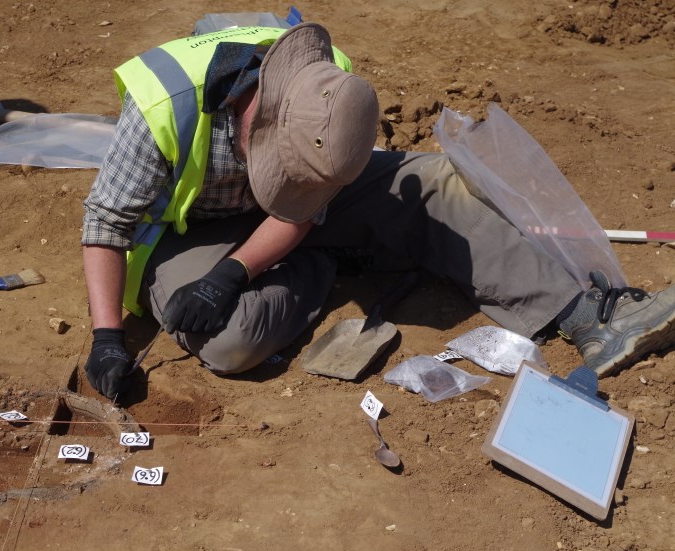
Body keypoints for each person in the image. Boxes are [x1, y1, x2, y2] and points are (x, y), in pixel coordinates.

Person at [81, 22, 675, 400]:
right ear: (249, 118)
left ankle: (587, 315)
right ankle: (322, 265)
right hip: (198, 232)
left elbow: (305, 202)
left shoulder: (326, 83)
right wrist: (109, 338)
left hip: (304, 212)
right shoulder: (163, 107)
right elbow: (105, 226)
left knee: (441, 182)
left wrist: (235, 273)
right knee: (231, 342)